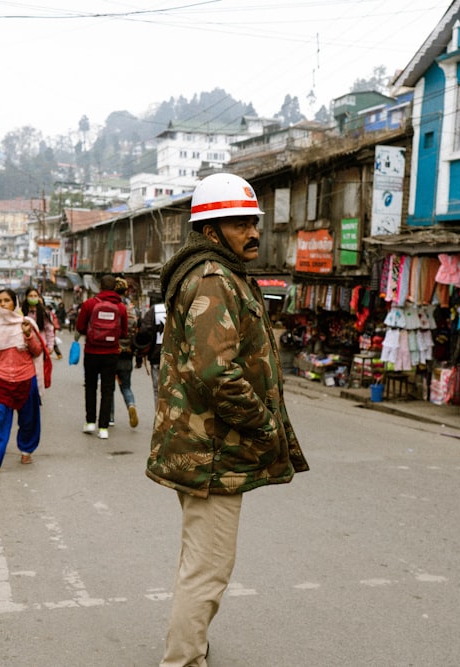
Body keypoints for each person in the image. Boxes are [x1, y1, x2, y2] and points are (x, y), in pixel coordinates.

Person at [146, 172, 309, 667]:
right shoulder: (214, 279)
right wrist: (264, 424)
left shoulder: (213, 273)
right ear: (211, 231)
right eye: (239, 224)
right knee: (209, 569)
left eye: (253, 222)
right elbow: (217, 373)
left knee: (199, 560)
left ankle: (191, 645)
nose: (252, 232)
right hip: (212, 450)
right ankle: (183, 660)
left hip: (202, 445)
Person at [0, 289, 45, 474]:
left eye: (7, 301)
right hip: (1, 380)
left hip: (26, 379)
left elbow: (37, 352)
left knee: (29, 420)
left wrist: (28, 336)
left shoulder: (26, 324)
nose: (3, 304)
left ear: (15, 303)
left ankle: (26, 449)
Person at [75, 274, 128, 440]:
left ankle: (90, 422)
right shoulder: (121, 308)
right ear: (114, 288)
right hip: (111, 354)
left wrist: (93, 334)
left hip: (91, 351)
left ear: (99, 287)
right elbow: (124, 333)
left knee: (90, 386)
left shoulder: (89, 304)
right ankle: (103, 427)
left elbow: (80, 327)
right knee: (107, 389)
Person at [110, 277, 139, 428]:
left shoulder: (110, 305)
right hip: (127, 352)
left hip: (112, 351)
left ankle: (110, 418)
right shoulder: (132, 308)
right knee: (126, 386)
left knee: (109, 387)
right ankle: (131, 405)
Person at [136, 294, 166, 407]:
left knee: (157, 389)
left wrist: (141, 351)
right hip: (177, 358)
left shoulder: (155, 310)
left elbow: (144, 332)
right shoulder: (179, 307)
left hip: (157, 355)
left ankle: (159, 419)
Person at [22, 286, 61, 365]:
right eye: (30, 296)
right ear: (26, 297)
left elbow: (49, 330)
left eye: (35, 296)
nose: (33, 298)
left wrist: (50, 345)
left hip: (41, 346)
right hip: (25, 347)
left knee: (39, 372)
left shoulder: (44, 313)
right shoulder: (21, 312)